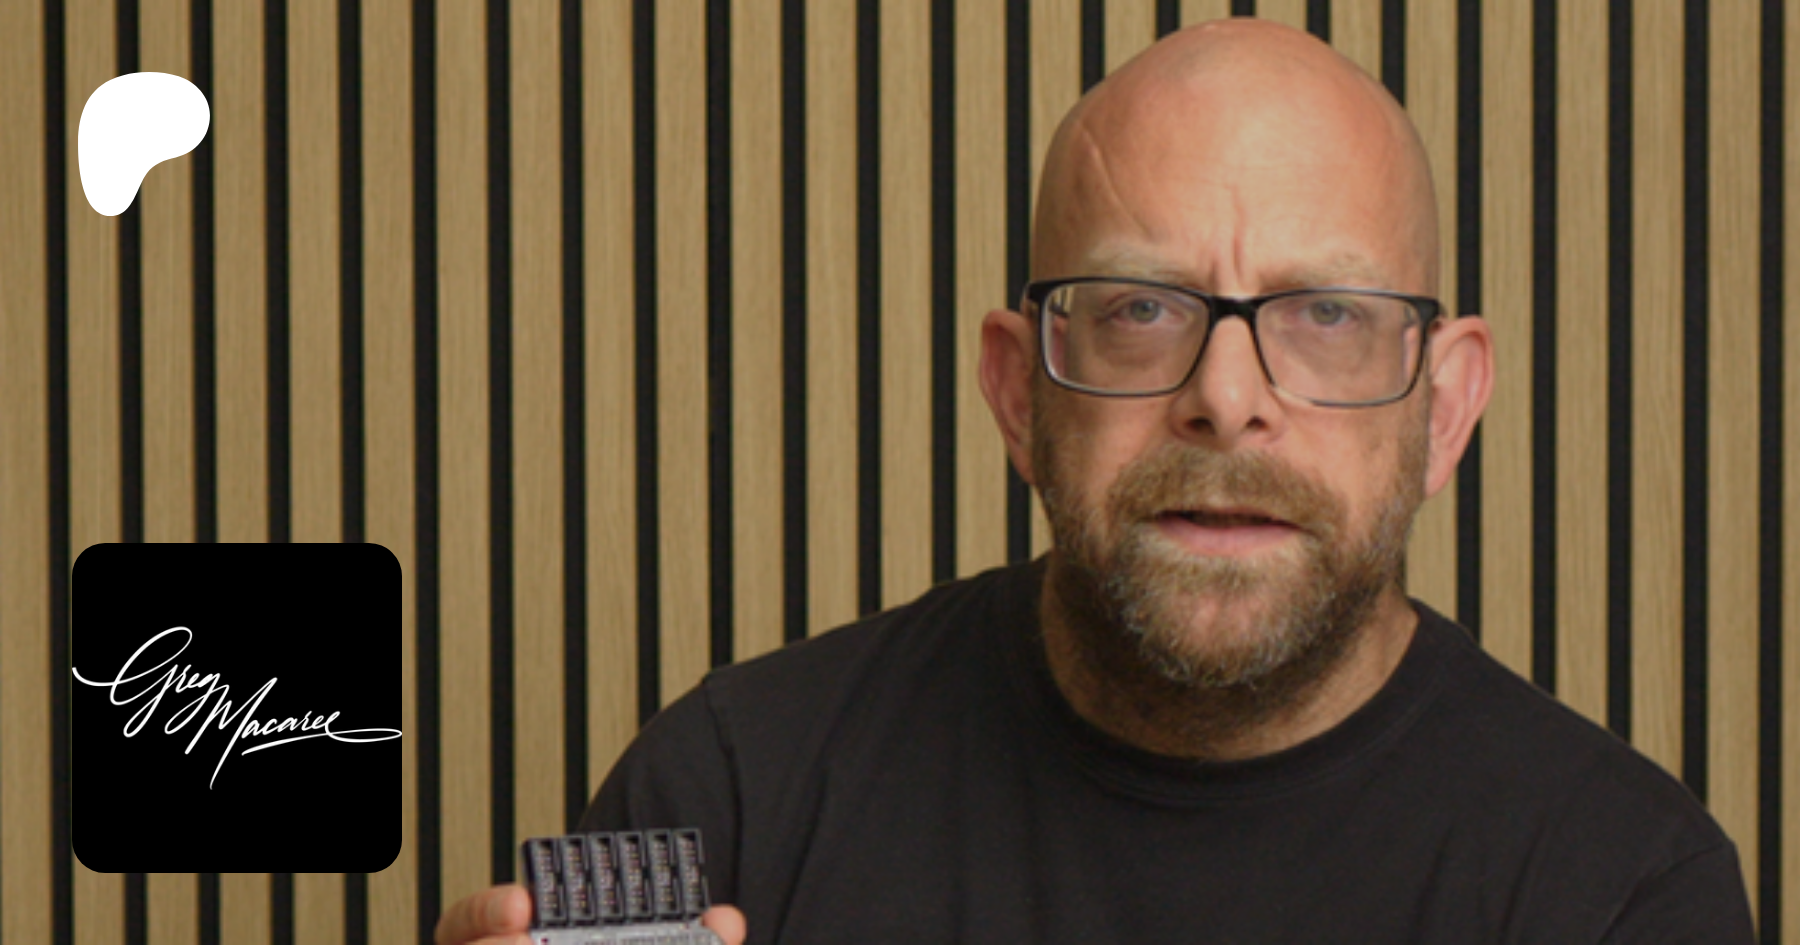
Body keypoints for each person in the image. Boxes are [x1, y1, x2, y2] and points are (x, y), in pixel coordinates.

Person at [437, 19, 1754, 944]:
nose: (1227, 398)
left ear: (1446, 405)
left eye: (1326, 315)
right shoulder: (736, 797)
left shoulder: (1623, 890)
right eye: (1139, 309)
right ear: (1020, 392)